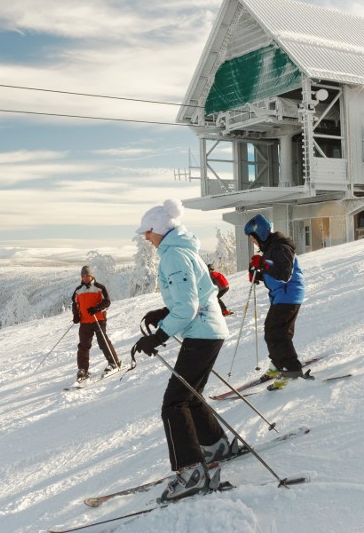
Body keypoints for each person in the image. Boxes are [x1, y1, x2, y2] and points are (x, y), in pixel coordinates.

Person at [134, 198, 234, 502]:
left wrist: (159, 336)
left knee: (174, 403)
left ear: (160, 229)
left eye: (147, 233)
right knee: (189, 396)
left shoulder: (173, 255)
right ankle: (215, 446)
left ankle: (190, 472)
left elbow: (189, 306)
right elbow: (195, 294)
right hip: (208, 331)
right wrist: (163, 313)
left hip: (202, 332)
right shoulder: (181, 250)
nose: (146, 238)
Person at [244, 214, 305, 389]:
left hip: (289, 294)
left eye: (253, 238)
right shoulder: (272, 248)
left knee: (277, 333)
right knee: (273, 331)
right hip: (283, 295)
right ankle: (279, 364)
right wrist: (259, 273)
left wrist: (263, 264)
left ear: (260, 234)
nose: (253, 242)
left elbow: (284, 273)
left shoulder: (281, 247)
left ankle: (291, 371)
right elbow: (274, 270)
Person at [71, 265, 120, 381]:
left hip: (98, 320)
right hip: (85, 322)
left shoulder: (99, 288)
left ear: (92, 275)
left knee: (103, 342)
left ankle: (114, 363)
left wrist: (97, 309)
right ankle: (83, 370)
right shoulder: (78, 290)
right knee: (83, 346)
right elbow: (75, 303)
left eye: (87, 275)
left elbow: (107, 302)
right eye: (83, 276)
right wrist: (76, 316)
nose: (85, 278)